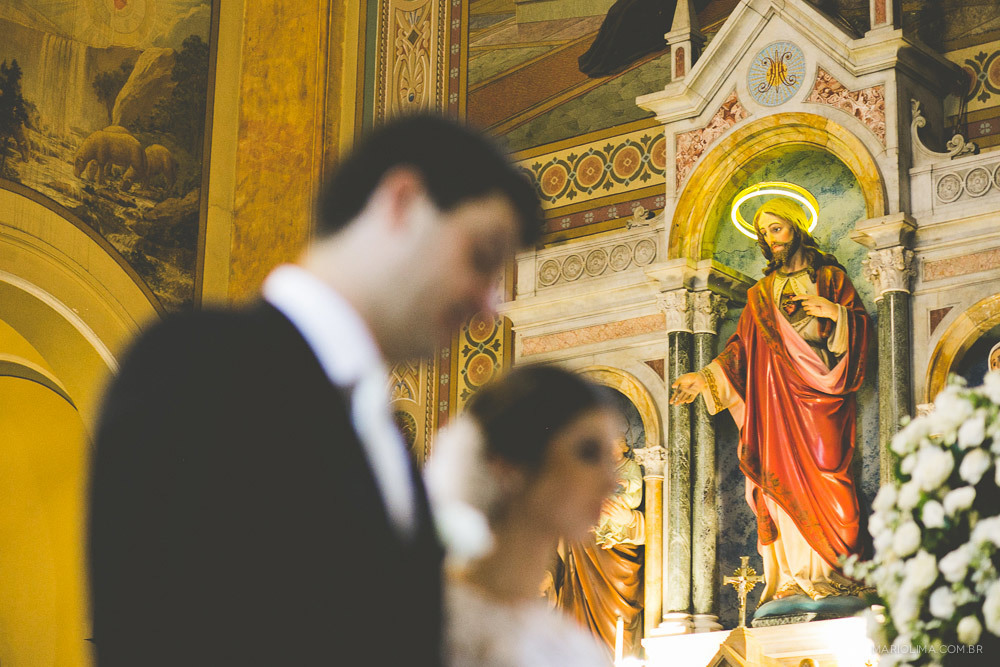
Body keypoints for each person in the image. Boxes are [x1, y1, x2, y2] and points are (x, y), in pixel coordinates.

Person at [88, 114, 542, 666]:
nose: (488, 307)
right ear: (401, 202)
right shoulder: (196, 366)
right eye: (482, 257)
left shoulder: (384, 436)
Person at [670, 197, 870, 605]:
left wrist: (835, 311)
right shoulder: (760, 295)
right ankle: (791, 579)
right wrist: (704, 377)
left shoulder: (831, 278)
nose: (770, 238)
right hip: (774, 407)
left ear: (796, 227)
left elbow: (864, 330)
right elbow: (740, 352)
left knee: (831, 474)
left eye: (776, 228)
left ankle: (838, 573)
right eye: (763, 232)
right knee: (778, 485)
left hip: (822, 398)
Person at [424, 365, 621, 667]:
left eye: (611, 459)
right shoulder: (430, 624)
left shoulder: (576, 650)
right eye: (588, 453)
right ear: (509, 465)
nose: (611, 482)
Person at [557, 432, 644, 655]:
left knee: (619, 624)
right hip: (586, 548)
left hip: (621, 555)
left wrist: (629, 519)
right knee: (578, 615)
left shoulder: (631, 469)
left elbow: (656, 520)